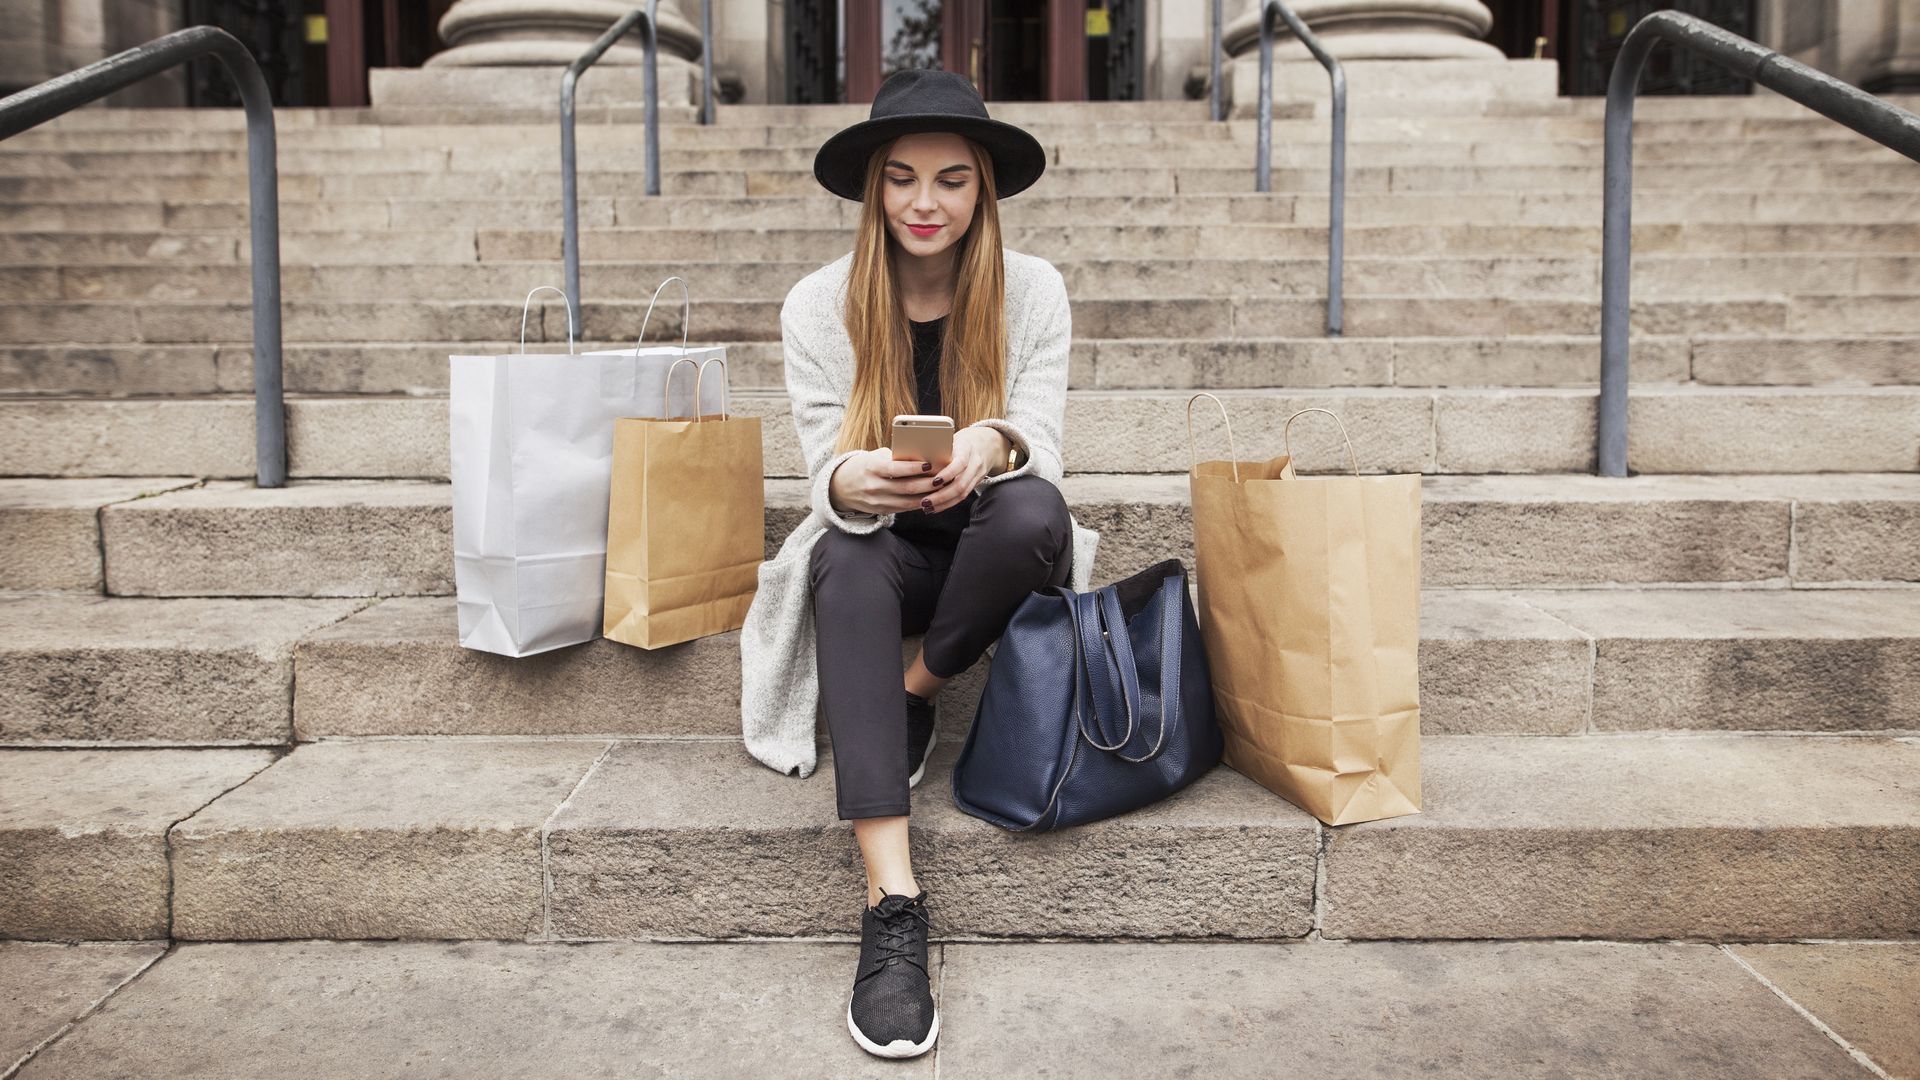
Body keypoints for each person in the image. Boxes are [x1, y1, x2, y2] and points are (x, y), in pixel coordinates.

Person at [737, 68, 1100, 1059]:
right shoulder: (819, 306)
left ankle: (913, 689)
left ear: (982, 190)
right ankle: (892, 907)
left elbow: (1049, 453)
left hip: (991, 556)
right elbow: (823, 463)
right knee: (847, 562)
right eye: (900, 179)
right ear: (874, 191)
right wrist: (853, 482)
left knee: (1034, 509)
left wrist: (995, 443)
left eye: (949, 180)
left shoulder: (1034, 293)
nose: (924, 204)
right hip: (881, 555)